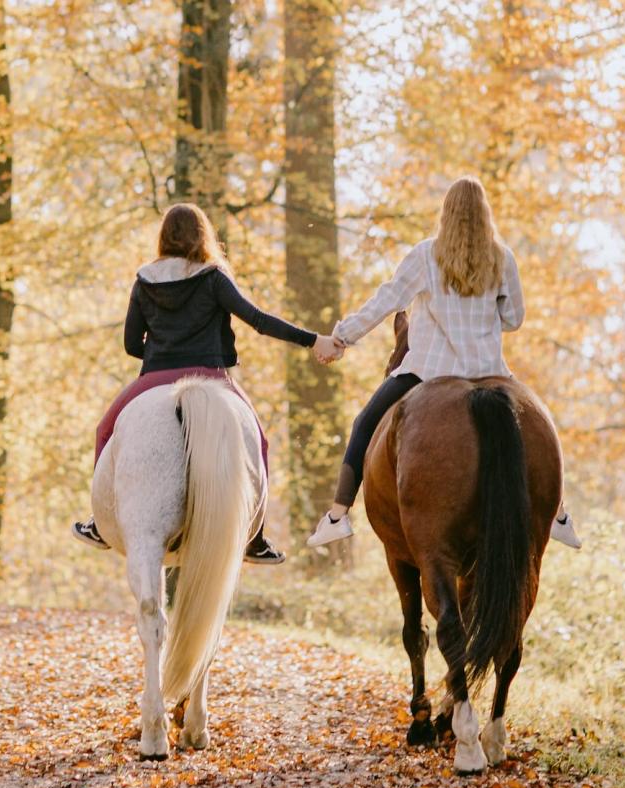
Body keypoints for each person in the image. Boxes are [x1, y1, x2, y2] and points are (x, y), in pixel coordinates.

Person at [306, 176, 582, 550]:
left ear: (446, 212)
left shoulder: (426, 255)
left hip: (428, 371)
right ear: (484, 213)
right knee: (540, 425)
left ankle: (338, 515)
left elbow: (387, 300)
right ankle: (559, 515)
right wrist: (486, 315)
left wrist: (342, 337)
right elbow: (515, 319)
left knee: (364, 422)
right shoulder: (502, 257)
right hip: (489, 372)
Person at [73, 203, 342, 564]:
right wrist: (314, 340)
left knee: (105, 431)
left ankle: (99, 521)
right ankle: (255, 537)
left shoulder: (145, 280)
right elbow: (258, 320)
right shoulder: (213, 277)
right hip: (212, 375)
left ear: (163, 236)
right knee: (258, 441)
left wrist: (160, 355)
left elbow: (129, 344)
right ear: (203, 235)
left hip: (155, 377)